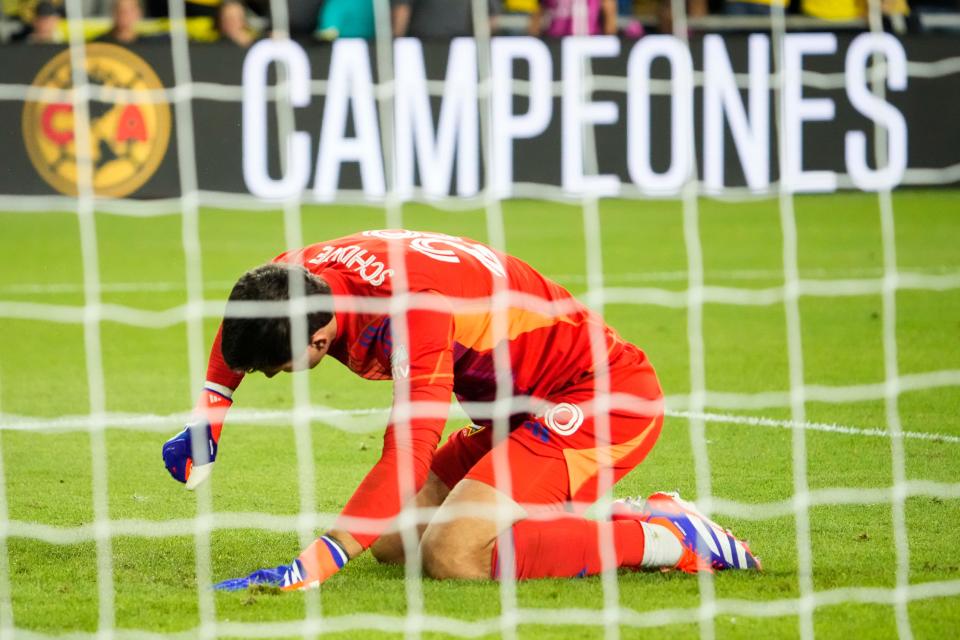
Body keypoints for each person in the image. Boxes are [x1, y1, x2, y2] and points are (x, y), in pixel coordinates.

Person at [162, 230, 759, 588]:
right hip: (514, 413)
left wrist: (310, 567)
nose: (269, 375)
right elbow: (242, 320)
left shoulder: (414, 312)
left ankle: (670, 538)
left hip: (598, 400)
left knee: (454, 554)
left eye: (276, 366)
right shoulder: (300, 275)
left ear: (319, 338)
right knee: (396, 543)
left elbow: (408, 455)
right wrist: (209, 414)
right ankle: (601, 516)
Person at [391, 0, 500, 38]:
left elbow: (402, 11)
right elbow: (491, 19)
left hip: (420, 44)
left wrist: (396, 43)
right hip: (464, 48)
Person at [529, 0, 620, 36]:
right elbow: (539, 12)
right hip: (555, 41)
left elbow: (609, 9)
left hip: (588, 41)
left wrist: (609, 35)